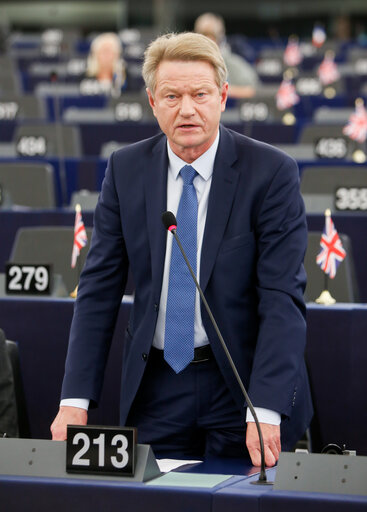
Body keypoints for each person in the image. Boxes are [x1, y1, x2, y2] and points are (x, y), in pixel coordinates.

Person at [51, 32, 313, 467]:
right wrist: (74, 399)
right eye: (171, 95)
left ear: (223, 96)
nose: (187, 109)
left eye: (200, 94)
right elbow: (97, 290)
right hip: (157, 386)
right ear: (152, 102)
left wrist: (265, 409)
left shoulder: (271, 174)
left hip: (241, 387)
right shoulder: (125, 169)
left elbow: (282, 298)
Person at [194, 12, 259, 98]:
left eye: (212, 36)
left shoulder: (232, 63)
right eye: (203, 35)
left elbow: (252, 91)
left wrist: (218, 90)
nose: (208, 40)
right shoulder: (188, 62)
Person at [85, 32, 126, 96]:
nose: (106, 56)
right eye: (103, 51)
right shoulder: (85, 77)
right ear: (95, 54)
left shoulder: (126, 78)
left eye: (110, 52)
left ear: (117, 55)